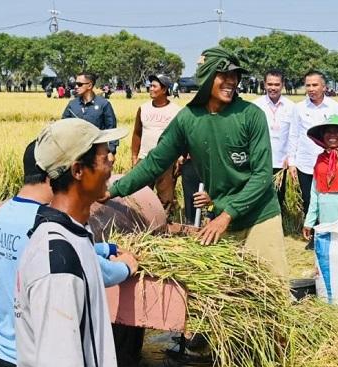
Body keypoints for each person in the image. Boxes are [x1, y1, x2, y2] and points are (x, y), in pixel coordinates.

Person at [0, 140, 136, 367]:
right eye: (105, 157)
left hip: (2, 351)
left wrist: (99, 248)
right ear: (71, 171)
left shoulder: (4, 217)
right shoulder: (54, 251)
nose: (112, 163)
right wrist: (127, 267)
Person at [105, 47, 288, 278]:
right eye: (223, 75)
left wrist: (226, 215)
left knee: (270, 287)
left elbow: (262, 176)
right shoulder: (188, 119)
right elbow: (154, 163)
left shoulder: (251, 115)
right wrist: (112, 191)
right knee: (234, 292)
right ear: (207, 77)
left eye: (235, 76)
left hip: (259, 216)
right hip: (222, 218)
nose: (231, 81)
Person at [14, 119, 130, 367]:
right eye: (105, 157)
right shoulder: (57, 261)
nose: (111, 165)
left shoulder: (74, 236)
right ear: (78, 170)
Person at [288, 70, 338, 247]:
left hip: (328, 163)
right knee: (309, 200)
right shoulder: (299, 108)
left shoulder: (335, 107)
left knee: (328, 200)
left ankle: (329, 234)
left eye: (315, 85)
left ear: (324, 86)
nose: (311, 89)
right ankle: (313, 235)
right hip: (306, 163)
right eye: (308, 85)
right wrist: (292, 162)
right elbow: (294, 135)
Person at [131, 74, 182, 213]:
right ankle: (142, 223)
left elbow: (182, 137)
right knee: (140, 195)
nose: (150, 88)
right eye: (150, 85)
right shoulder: (143, 108)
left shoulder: (176, 111)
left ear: (164, 89)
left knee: (165, 198)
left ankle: (163, 225)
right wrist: (134, 157)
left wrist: (180, 157)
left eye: (154, 86)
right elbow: (137, 133)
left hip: (166, 160)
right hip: (145, 159)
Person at [253, 69, 294, 210]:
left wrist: (290, 157)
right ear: (264, 84)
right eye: (269, 84)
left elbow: (294, 135)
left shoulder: (291, 107)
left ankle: (277, 226)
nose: (273, 88)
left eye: (277, 84)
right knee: (257, 196)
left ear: (282, 85)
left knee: (278, 197)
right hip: (259, 161)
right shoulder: (255, 106)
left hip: (281, 162)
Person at [62, 72, 119, 154]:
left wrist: (111, 151)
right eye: (75, 84)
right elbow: (63, 126)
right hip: (75, 152)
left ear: (89, 85)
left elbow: (112, 129)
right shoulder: (72, 105)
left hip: (97, 152)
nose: (76, 87)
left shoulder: (103, 104)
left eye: (79, 84)